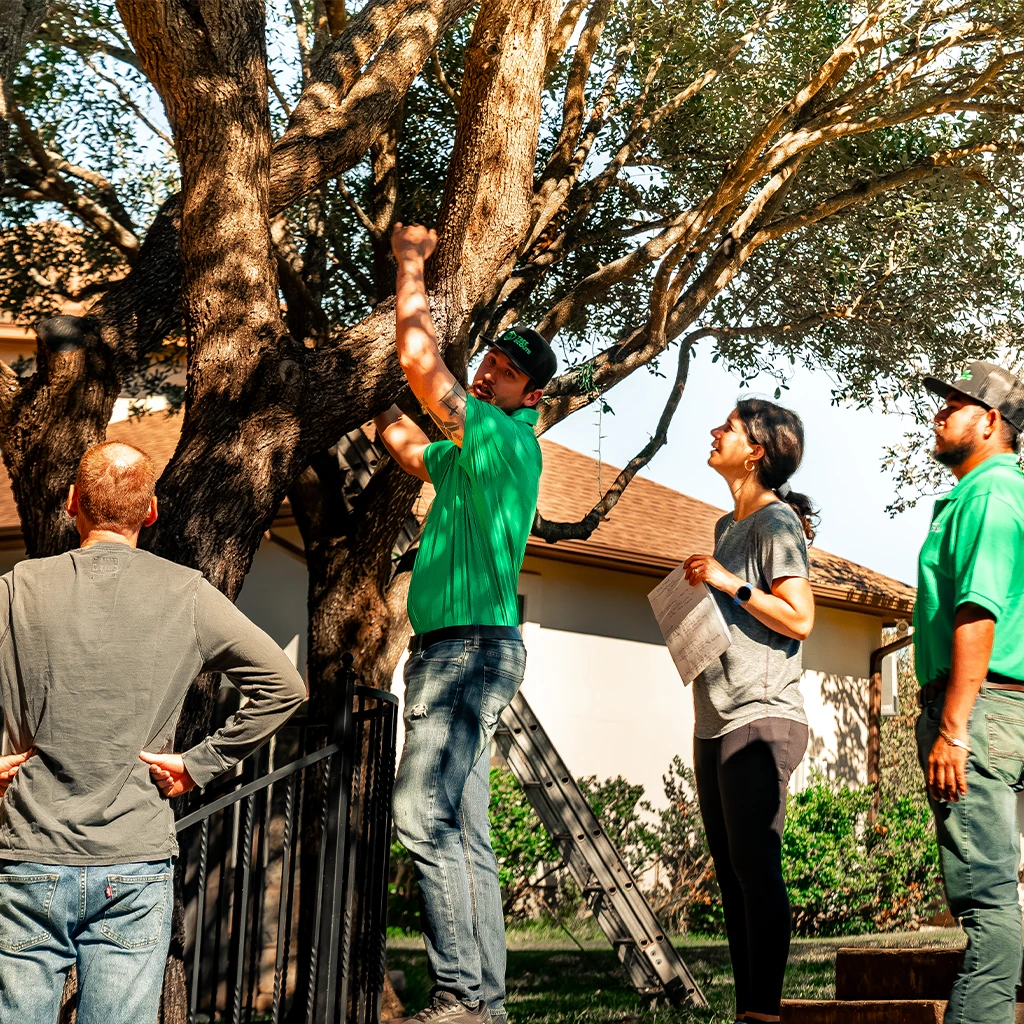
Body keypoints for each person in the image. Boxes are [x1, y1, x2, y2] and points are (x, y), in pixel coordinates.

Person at [0, 441, 307, 1024]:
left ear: (72, 503)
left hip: (30, 854)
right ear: (151, 511)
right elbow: (284, 686)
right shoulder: (188, 594)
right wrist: (199, 764)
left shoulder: (18, 589)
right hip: (133, 862)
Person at [373, 222, 556, 1024]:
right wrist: (367, 391)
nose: (490, 371)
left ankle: (458, 996)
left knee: (419, 812)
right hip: (462, 651)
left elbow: (423, 367)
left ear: (531, 397)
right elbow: (411, 448)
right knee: (465, 832)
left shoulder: (506, 443)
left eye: (508, 372)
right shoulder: (474, 456)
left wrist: (411, 263)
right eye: (492, 360)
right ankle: (485, 1001)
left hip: (465, 654)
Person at [681, 399, 816, 1024]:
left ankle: (763, 1012)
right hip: (714, 718)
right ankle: (748, 1013)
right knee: (733, 875)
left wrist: (726, 582)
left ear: (756, 450)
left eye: (728, 427)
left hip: (762, 715)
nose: (714, 432)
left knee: (754, 868)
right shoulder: (725, 527)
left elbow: (800, 618)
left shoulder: (775, 523)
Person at [913, 361, 1024, 1024]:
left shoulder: (989, 494)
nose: (939, 414)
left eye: (955, 405)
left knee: (987, 904)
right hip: (996, 707)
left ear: (992, 422)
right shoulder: (991, 493)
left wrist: (953, 726)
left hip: (980, 713)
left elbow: (978, 611)